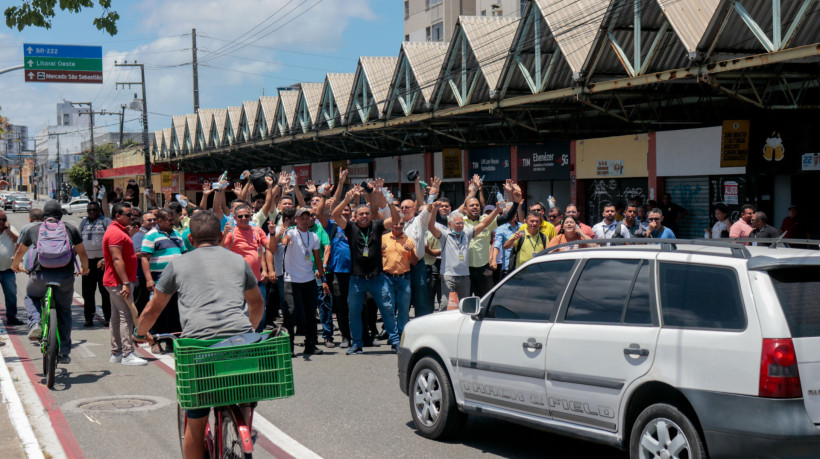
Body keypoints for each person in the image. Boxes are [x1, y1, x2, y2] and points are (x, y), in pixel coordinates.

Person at [134, 210, 263, 459]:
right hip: (240, 342)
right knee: (244, 391)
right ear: (219, 237)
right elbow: (256, 304)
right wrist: (250, 331)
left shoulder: (178, 263)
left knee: (195, 423)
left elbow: (154, 307)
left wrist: (140, 333)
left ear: (190, 239)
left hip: (199, 348)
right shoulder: (238, 261)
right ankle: (243, 423)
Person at [11, 200, 90, 362]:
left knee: (31, 297)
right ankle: (65, 351)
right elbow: (82, 252)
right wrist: (85, 268)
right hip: (65, 277)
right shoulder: (70, 228)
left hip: (41, 275)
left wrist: (15, 265)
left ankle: (36, 324)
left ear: (44, 215)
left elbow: (20, 252)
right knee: (64, 311)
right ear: (61, 215)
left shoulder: (34, 229)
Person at [331, 182, 401, 355]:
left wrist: (391, 202)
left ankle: (395, 341)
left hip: (377, 278)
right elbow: (335, 214)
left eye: (366, 214)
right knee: (353, 312)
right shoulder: (350, 228)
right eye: (361, 214)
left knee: (387, 309)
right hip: (357, 280)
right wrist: (347, 198)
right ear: (355, 216)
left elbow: (396, 219)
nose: (364, 216)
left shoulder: (377, 226)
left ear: (371, 215)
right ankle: (356, 344)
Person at [274, 207, 329, 356]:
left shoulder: (314, 237)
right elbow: (283, 240)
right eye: (302, 218)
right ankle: (289, 346)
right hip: (291, 279)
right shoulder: (290, 232)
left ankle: (310, 345)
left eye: (307, 218)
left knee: (311, 314)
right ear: (296, 220)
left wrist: (323, 279)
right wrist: (284, 240)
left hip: (309, 279)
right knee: (290, 313)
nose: (305, 221)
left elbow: (317, 258)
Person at [428, 202, 502, 304]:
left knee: (464, 305)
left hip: (464, 277)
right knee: (446, 305)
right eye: (458, 223)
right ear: (450, 224)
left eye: (462, 223)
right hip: (448, 276)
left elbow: (484, 223)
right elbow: (431, 226)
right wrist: (434, 210)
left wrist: (497, 211)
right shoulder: (445, 236)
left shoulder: (467, 234)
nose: (460, 226)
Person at [102, 202, 147, 366]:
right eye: (128, 215)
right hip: (119, 282)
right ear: (117, 216)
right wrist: (126, 283)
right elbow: (116, 259)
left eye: (132, 214)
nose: (131, 217)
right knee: (126, 316)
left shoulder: (118, 230)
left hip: (116, 281)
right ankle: (127, 353)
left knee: (116, 317)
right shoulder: (115, 233)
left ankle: (117, 353)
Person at [223, 204, 271, 333]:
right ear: (235, 217)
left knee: (260, 313)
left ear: (251, 216)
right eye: (240, 216)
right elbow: (219, 248)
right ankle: (243, 341)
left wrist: (273, 233)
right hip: (238, 282)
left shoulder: (257, 230)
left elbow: (269, 248)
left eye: (247, 215)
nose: (244, 218)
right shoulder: (231, 233)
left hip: (257, 280)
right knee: (240, 315)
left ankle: (257, 340)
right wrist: (224, 234)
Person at [140, 209, 186, 337]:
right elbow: (144, 258)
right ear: (159, 221)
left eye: (173, 220)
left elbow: (183, 254)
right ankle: (157, 340)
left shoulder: (177, 234)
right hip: (159, 280)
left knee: (175, 311)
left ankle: (173, 339)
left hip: (177, 280)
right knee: (158, 311)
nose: (172, 223)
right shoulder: (151, 235)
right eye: (169, 220)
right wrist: (149, 279)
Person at [382, 216, 418, 335]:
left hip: (404, 278)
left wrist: (411, 251)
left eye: (401, 224)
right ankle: (392, 335)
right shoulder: (383, 238)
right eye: (395, 223)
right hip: (387, 278)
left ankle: (402, 334)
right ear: (391, 224)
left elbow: (414, 262)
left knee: (403, 309)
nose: (398, 226)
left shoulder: (409, 240)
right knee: (389, 309)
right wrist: (379, 249)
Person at [79, 201, 111, 327]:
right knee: (87, 292)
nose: (91, 212)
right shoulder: (83, 222)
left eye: (94, 210)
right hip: (88, 263)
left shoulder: (105, 221)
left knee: (105, 292)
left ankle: (108, 317)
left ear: (99, 210)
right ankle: (88, 318)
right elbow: (78, 240)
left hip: (102, 262)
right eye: (89, 210)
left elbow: (110, 239)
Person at [132, 211, 156, 315]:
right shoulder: (139, 235)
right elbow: (138, 253)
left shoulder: (153, 234)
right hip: (142, 276)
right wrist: (156, 256)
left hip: (151, 275)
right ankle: (137, 327)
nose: (152, 222)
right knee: (141, 304)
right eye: (149, 220)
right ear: (142, 223)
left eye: (154, 219)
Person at [0, 210, 22, 325]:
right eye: (0, 219)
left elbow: (20, 241)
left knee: (11, 295)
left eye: (4, 220)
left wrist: (8, 231)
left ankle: (12, 317)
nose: (2, 222)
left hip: (8, 270)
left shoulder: (10, 229)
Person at [490, 212, 516, 281]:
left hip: (521, 267)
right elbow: (497, 244)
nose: (512, 215)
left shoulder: (522, 226)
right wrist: (494, 260)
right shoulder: (501, 228)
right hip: (507, 267)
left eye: (514, 213)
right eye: (509, 214)